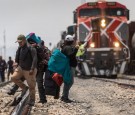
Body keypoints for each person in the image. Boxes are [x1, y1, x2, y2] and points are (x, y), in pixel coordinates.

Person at [11, 34, 37, 106]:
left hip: (29, 69)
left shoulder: (31, 48)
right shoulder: (19, 48)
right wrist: (16, 64)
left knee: (31, 86)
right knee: (13, 78)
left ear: (25, 40)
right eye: (18, 42)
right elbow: (17, 58)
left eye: (20, 42)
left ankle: (32, 100)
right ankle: (24, 88)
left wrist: (32, 69)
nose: (19, 43)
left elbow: (35, 59)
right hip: (21, 68)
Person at [61, 35, 79, 103]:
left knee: (68, 82)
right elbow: (71, 56)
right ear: (71, 41)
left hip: (69, 66)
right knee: (69, 82)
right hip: (70, 66)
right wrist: (76, 49)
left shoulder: (65, 47)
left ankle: (64, 96)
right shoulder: (68, 48)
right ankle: (65, 97)